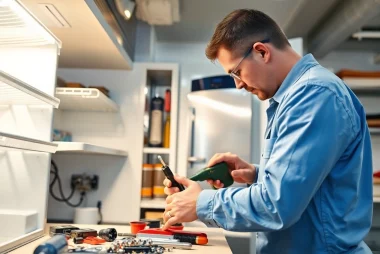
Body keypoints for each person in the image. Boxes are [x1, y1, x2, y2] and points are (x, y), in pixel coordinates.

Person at [162, 9, 373, 253]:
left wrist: (201, 203)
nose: (238, 84)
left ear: (262, 52)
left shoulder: (314, 95)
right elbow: (310, 185)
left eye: (236, 72)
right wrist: (255, 174)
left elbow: (277, 204)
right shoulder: (294, 97)